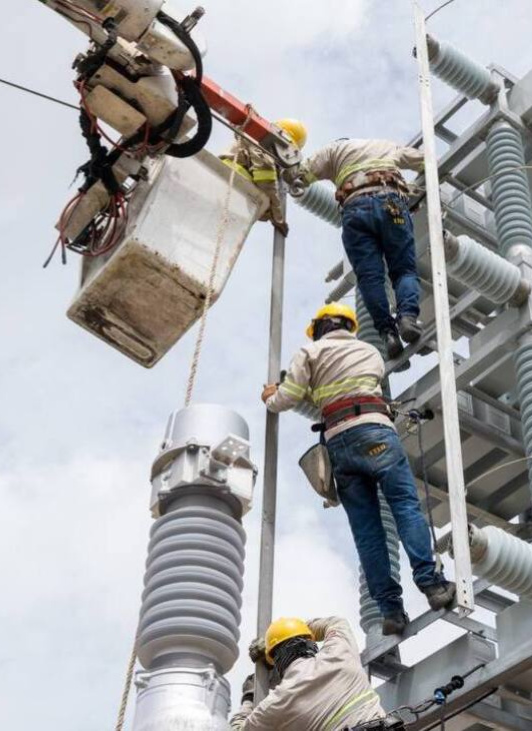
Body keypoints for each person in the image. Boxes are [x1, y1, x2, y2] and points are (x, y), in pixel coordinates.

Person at [262, 303, 454, 633]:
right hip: (375, 430)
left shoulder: (310, 352)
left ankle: (391, 612)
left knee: (368, 533)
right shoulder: (369, 353)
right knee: (405, 507)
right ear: (348, 327)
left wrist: (271, 395)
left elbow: (287, 398)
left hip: (339, 444)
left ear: (319, 327)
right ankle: (432, 585)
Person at [300, 138, 426, 360]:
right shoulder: (386, 146)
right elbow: (425, 161)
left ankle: (388, 334)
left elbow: (301, 175)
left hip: (354, 210)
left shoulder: (333, 150)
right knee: (403, 270)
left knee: (369, 278)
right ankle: (407, 318)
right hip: (391, 203)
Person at [230, 617, 386, 731]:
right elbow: (336, 623)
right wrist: (299, 628)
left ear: (277, 662)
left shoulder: (278, 703)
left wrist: (249, 698)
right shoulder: (341, 654)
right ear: (310, 642)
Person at [219, 118, 308, 236]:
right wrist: (277, 218)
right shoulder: (260, 140)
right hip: (231, 180)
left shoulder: (263, 146)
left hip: (229, 185)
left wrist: (268, 212)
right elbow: (265, 178)